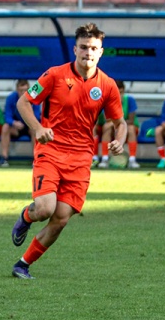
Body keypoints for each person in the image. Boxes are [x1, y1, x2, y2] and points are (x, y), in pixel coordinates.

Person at [11, 22, 126, 280]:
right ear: (75, 49)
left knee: (61, 218)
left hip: (81, 159)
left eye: (93, 48)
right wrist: (38, 128)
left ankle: (23, 264)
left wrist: (119, 140)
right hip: (51, 151)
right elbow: (24, 102)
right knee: (44, 209)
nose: (88, 52)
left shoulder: (107, 85)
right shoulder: (54, 75)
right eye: (83, 47)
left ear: (101, 52)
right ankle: (27, 216)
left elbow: (121, 123)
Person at [95, 80, 138, 169]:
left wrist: (120, 124)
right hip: (111, 127)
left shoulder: (130, 100)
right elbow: (107, 119)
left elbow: (131, 120)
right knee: (107, 126)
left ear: (124, 91)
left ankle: (132, 160)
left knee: (131, 128)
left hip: (128, 127)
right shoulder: (106, 100)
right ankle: (104, 159)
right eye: (117, 92)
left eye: (121, 92)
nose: (119, 95)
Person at [0, 78, 37, 167]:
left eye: (25, 90)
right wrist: (14, 122)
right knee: (5, 127)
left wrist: (29, 120)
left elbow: (37, 117)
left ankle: (36, 158)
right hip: (15, 127)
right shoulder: (11, 98)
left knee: (36, 129)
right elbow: (7, 116)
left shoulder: (34, 98)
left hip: (29, 126)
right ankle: (4, 158)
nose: (23, 92)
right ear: (17, 89)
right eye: (21, 90)